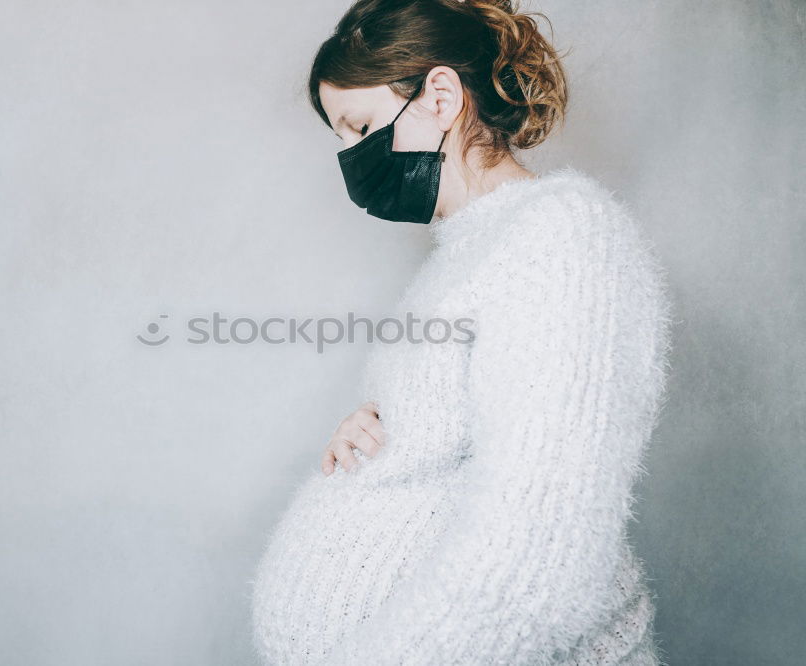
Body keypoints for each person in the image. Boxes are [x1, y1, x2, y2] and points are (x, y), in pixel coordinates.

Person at [250, 0, 675, 664]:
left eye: (358, 125)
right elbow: (449, 453)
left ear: (441, 96)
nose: (349, 156)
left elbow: (542, 561)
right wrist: (373, 451)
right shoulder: (467, 253)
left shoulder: (564, 238)